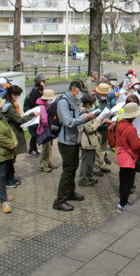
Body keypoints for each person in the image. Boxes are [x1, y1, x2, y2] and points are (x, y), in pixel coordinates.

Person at [53, 80, 96, 212]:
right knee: (67, 170)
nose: (80, 94)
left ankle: (70, 193)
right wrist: (86, 118)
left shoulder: (73, 100)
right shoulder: (63, 102)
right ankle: (59, 201)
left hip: (74, 140)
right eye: (79, 90)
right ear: (73, 88)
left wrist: (85, 115)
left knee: (73, 168)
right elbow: (68, 122)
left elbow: (75, 117)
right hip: (66, 141)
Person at [2, 85, 39, 186]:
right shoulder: (9, 107)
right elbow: (19, 120)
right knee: (10, 158)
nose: (18, 97)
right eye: (17, 95)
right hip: (11, 134)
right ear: (12, 95)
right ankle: (8, 179)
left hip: (11, 133)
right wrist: (32, 115)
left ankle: (11, 177)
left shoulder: (7, 103)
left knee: (11, 158)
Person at [115, 102, 140, 213]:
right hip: (129, 159)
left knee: (123, 181)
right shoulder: (130, 129)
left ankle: (123, 201)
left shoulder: (119, 124)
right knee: (128, 183)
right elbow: (136, 146)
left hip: (121, 156)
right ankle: (122, 204)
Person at [78, 94, 104, 187]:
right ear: (88, 104)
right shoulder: (84, 114)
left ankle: (89, 176)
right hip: (87, 141)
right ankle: (83, 179)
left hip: (91, 141)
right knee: (86, 161)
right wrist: (99, 120)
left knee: (91, 161)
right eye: (92, 104)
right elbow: (90, 128)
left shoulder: (86, 112)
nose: (93, 106)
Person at [36, 89, 59, 172]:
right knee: (46, 148)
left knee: (49, 147)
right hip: (45, 130)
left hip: (48, 129)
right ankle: (43, 164)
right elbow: (44, 120)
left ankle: (49, 162)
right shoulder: (43, 107)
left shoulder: (46, 105)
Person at [93, 83, 112, 176]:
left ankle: (102, 164)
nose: (106, 95)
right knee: (97, 149)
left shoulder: (106, 100)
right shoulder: (95, 101)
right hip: (98, 128)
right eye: (104, 94)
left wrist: (113, 115)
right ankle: (96, 167)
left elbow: (108, 110)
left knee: (103, 148)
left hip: (105, 127)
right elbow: (94, 115)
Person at [26, 74, 46, 157]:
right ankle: (32, 149)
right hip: (35, 113)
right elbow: (33, 102)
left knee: (37, 131)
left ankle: (34, 148)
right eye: (42, 81)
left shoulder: (40, 89)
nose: (44, 82)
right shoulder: (35, 90)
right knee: (34, 133)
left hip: (39, 112)